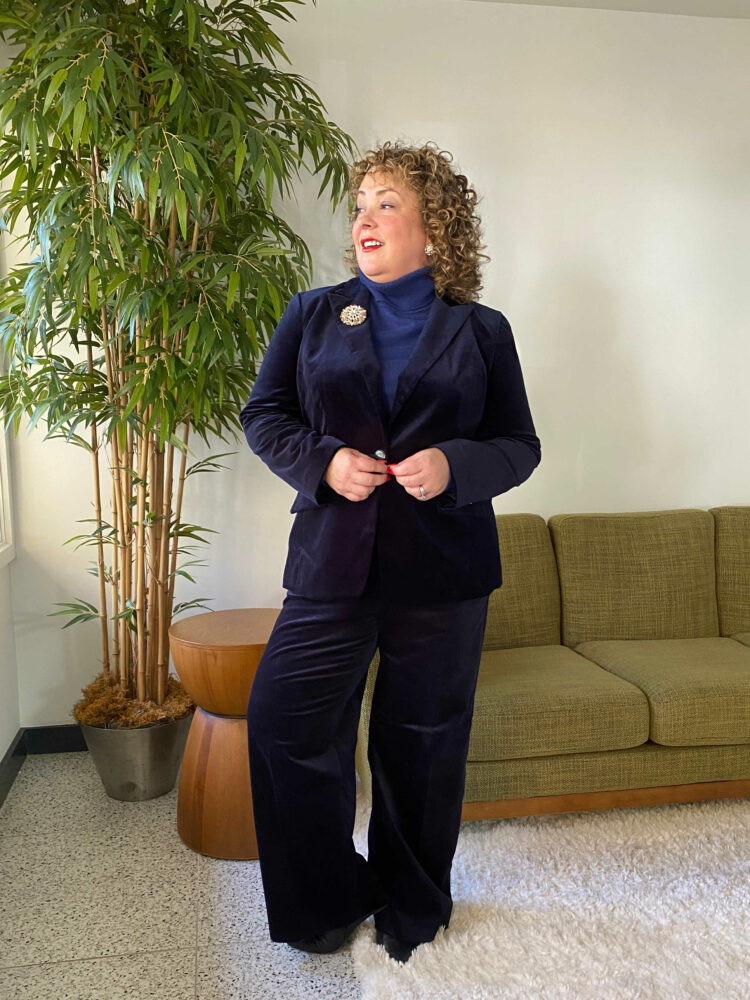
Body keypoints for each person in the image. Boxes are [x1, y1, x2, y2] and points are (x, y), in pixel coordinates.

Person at [240, 140, 541, 964]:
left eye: (387, 203)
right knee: (284, 721)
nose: (365, 218)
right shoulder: (312, 313)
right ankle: (328, 897)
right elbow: (264, 414)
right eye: (361, 204)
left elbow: (519, 444)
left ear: (435, 230)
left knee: (423, 741)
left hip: (444, 572)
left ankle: (414, 901)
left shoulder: (482, 331)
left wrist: (456, 466)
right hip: (333, 561)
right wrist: (324, 463)